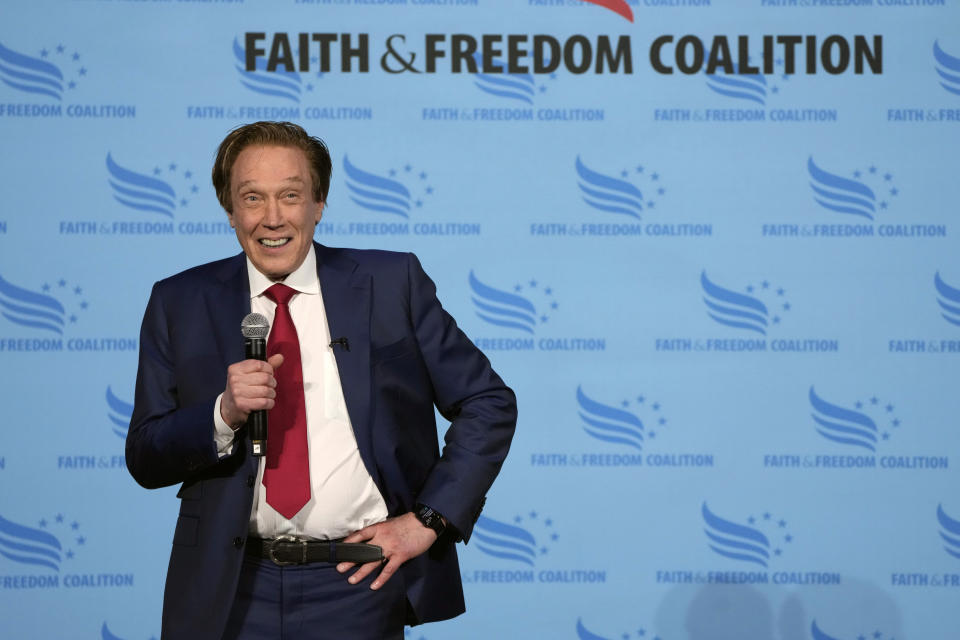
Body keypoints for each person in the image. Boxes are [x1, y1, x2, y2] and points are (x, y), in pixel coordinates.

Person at [126, 121, 517, 640]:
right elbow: (146, 456)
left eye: (290, 195)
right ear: (229, 209)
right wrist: (222, 415)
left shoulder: (390, 283)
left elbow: (488, 402)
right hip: (231, 591)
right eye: (252, 198)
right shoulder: (179, 302)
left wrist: (428, 519)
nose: (272, 218)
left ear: (319, 202)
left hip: (358, 583)